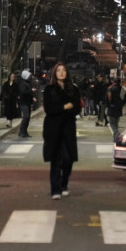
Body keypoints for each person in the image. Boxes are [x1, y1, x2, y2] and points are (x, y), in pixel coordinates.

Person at [42, 63, 81, 200]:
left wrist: (68, 108)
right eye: (58, 70)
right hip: (53, 129)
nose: (61, 73)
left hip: (68, 128)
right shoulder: (49, 89)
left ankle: (64, 183)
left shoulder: (73, 89)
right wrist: (64, 107)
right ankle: (55, 189)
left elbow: (77, 108)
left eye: (63, 70)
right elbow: (49, 109)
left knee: (68, 159)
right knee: (55, 159)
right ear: (54, 73)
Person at [16, 69, 36, 138]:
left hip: (27, 102)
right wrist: (31, 90)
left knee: (27, 117)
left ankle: (24, 131)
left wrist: (32, 96)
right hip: (23, 102)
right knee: (26, 116)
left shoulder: (27, 82)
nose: (30, 77)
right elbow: (23, 92)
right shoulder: (22, 83)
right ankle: (21, 131)